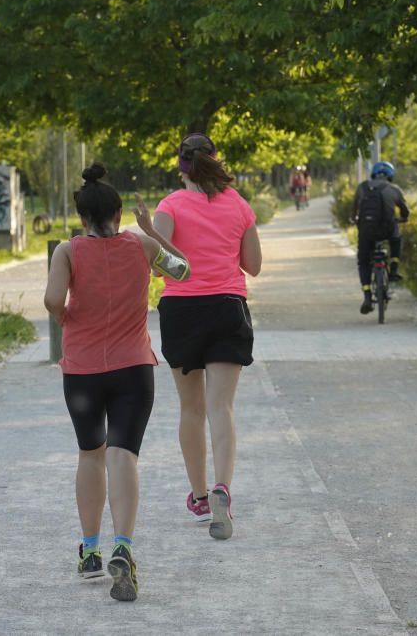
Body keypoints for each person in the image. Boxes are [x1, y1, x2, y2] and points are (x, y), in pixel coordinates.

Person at [44, 162, 190, 602]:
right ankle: (123, 546)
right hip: (132, 369)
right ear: (120, 213)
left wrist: (66, 318)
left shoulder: (67, 252)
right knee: (123, 456)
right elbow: (182, 270)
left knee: (91, 454)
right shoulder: (143, 246)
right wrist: (153, 231)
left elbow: (53, 299)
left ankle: (90, 551)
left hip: (84, 370)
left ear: (81, 216)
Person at [150, 133, 262, 541]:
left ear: (181, 166)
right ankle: (222, 488)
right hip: (228, 307)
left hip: (182, 310)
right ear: (216, 160)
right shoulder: (239, 204)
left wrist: (157, 235)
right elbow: (254, 265)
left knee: (191, 409)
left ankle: (199, 496)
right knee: (222, 407)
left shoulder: (169, 207)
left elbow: (160, 267)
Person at [351, 161, 409, 314]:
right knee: (396, 239)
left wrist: (355, 220)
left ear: (373, 173)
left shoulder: (362, 187)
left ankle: (367, 295)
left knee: (363, 262)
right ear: (390, 175)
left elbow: (353, 211)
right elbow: (405, 211)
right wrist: (402, 218)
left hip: (366, 231)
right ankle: (394, 270)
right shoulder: (394, 189)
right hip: (387, 230)